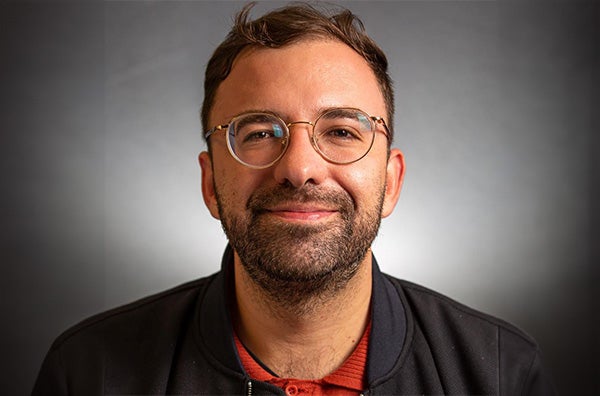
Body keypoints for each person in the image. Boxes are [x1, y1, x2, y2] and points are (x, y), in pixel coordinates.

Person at [32, 3, 556, 395]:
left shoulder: (502, 371)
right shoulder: (88, 372)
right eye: (259, 132)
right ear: (211, 181)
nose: (301, 168)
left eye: (343, 132)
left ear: (391, 182)